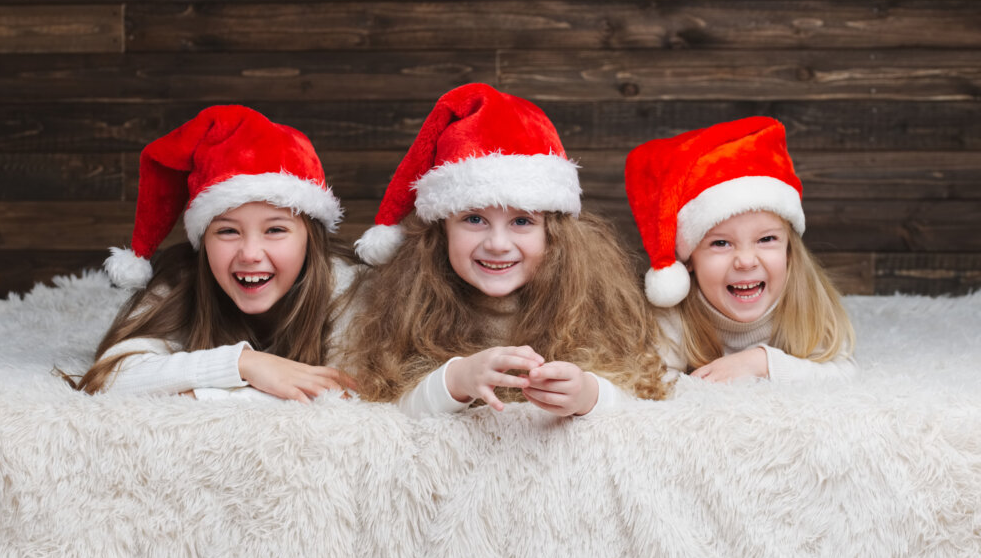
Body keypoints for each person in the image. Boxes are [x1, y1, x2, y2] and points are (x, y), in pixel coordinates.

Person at [341, 83, 665, 417]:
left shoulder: (591, 300)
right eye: (474, 218)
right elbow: (387, 413)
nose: (497, 244)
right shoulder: (411, 302)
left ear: (554, 235)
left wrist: (590, 396)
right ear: (441, 232)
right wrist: (455, 380)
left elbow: (643, 402)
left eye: (521, 222)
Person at [71, 105, 358, 402]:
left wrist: (200, 393)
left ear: (311, 240)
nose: (249, 254)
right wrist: (244, 364)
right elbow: (112, 377)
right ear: (203, 240)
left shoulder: (348, 285)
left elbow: (345, 394)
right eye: (227, 231)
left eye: (275, 230)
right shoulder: (181, 279)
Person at [625, 116, 856, 384]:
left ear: (789, 250)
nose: (746, 261)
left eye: (766, 239)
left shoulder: (806, 301)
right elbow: (651, 384)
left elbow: (843, 372)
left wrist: (762, 363)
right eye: (721, 243)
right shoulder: (674, 319)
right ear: (688, 261)